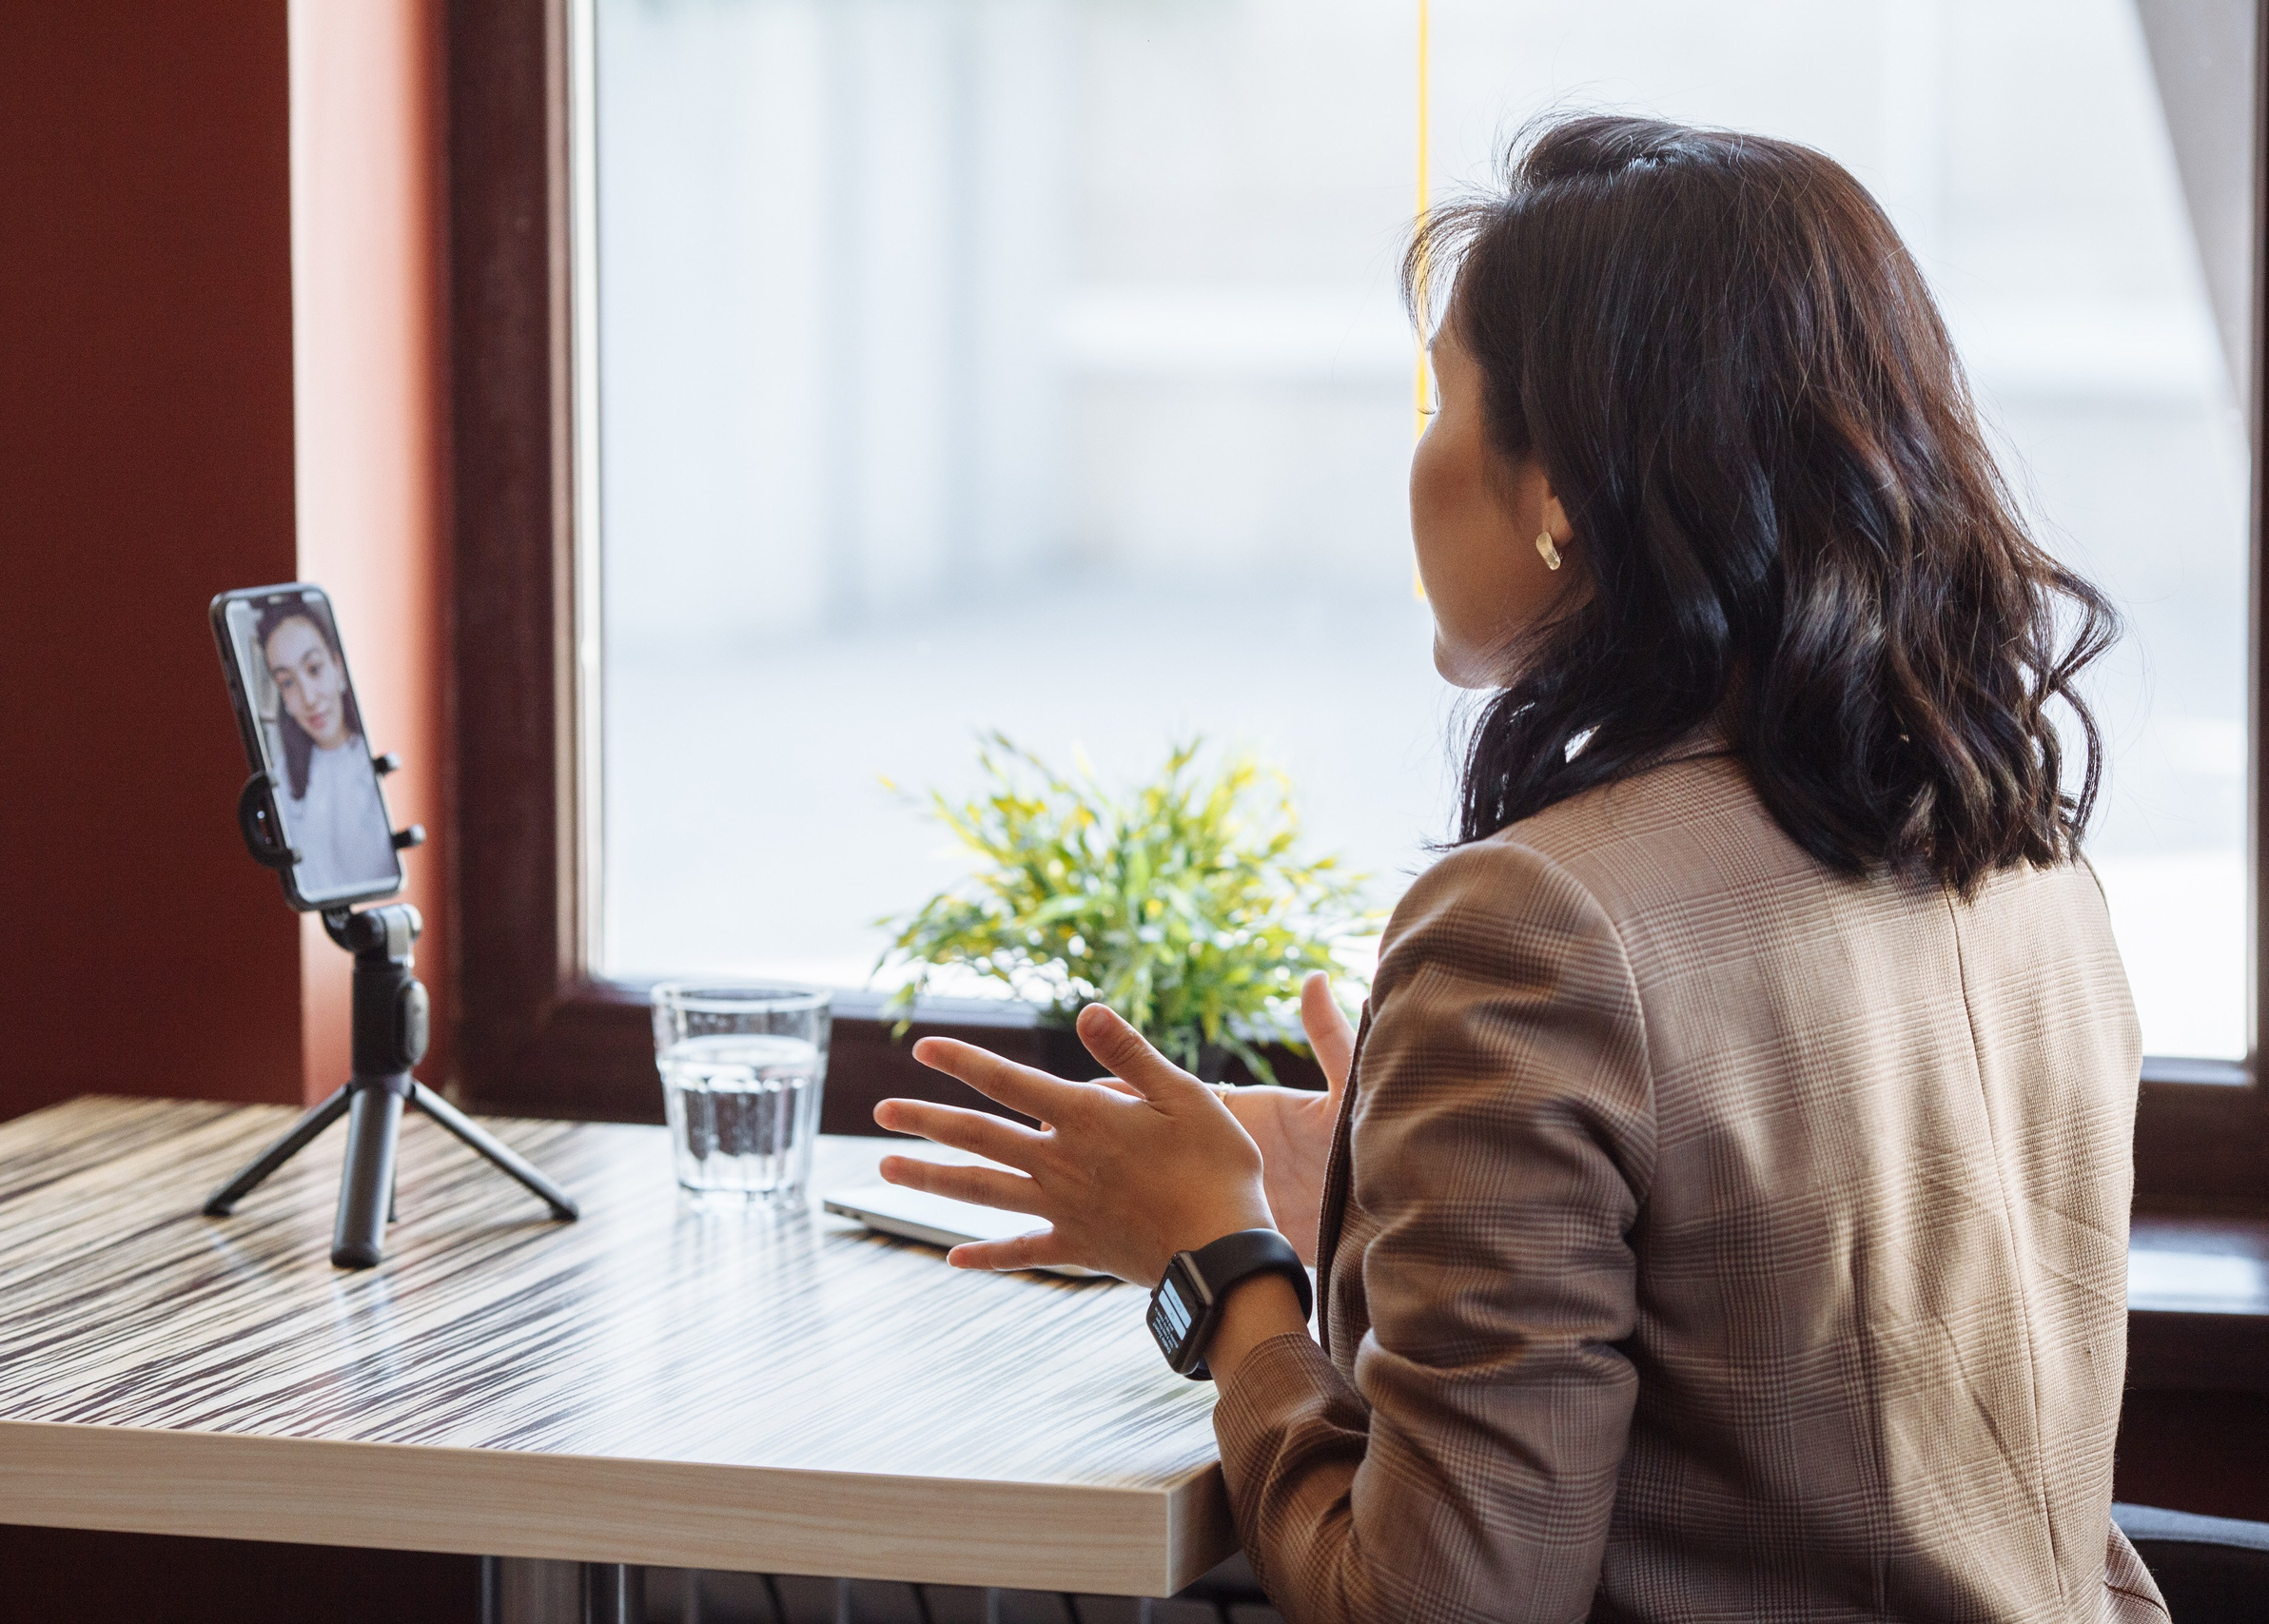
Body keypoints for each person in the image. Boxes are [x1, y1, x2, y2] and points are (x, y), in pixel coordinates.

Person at [872, 115, 2170, 1622]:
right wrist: (1380, 1212)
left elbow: (1431, 1604)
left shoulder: (1540, 927)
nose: (1417, 461)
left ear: (1560, 487)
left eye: (1443, 399)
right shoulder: (2026, 866)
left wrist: (1221, 1275)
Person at [254, 598, 398, 901]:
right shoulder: (283, 778)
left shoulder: (378, 762)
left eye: (314, 669)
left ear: (338, 669)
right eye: (288, 682)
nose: (308, 697)